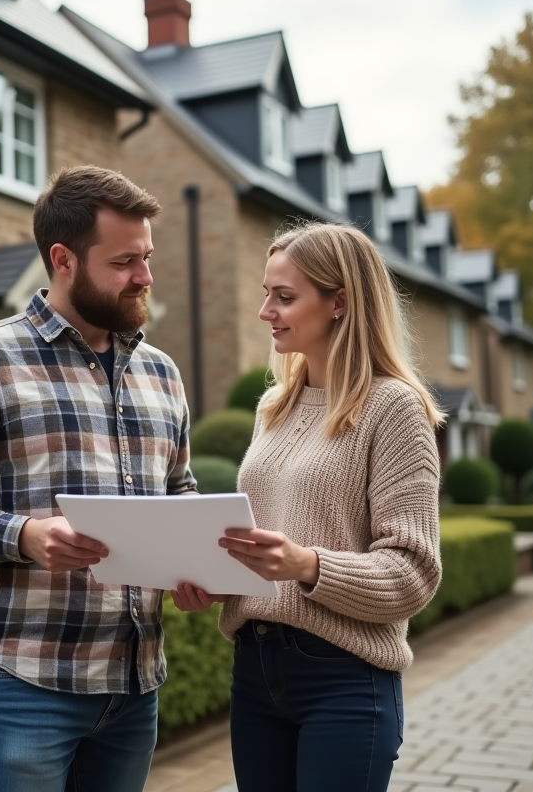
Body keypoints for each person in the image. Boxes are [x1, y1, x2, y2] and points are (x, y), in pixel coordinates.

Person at [0, 166, 195, 792]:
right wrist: (23, 535)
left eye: (148, 257)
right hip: (19, 684)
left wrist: (196, 560)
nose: (146, 277)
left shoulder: (162, 372)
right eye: (125, 260)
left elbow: (179, 492)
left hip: (134, 687)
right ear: (64, 260)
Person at [171, 222, 444, 792]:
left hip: (344, 678)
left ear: (339, 301)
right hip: (254, 670)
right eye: (267, 293)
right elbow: (265, 547)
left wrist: (309, 566)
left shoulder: (393, 408)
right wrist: (216, 580)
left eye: (285, 296)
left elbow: (414, 573)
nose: (266, 310)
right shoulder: (274, 405)